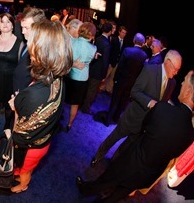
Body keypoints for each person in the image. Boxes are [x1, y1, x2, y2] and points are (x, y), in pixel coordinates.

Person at [76, 69, 194, 203]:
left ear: (189, 91)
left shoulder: (163, 109)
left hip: (132, 160)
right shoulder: (190, 133)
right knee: (118, 195)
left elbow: (145, 126)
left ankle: (85, 189)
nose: (182, 83)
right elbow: (173, 154)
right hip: (148, 173)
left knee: (108, 178)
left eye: (184, 81)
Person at [8, 19, 73, 193]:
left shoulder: (33, 94)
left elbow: (19, 135)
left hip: (33, 147)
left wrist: (15, 107)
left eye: (34, 41)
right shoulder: (56, 78)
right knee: (22, 167)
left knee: (26, 169)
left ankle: (23, 185)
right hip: (45, 138)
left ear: (44, 51)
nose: (29, 44)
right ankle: (20, 174)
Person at [91, 50, 182, 167]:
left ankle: (112, 165)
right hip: (131, 118)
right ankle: (98, 157)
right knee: (113, 139)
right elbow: (134, 92)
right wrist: (149, 102)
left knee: (126, 148)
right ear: (168, 63)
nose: (176, 72)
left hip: (143, 126)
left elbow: (162, 101)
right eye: (176, 69)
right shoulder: (150, 70)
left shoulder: (172, 83)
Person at [103, 33, 147, 126]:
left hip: (121, 80)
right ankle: (116, 118)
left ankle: (108, 119)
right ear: (142, 43)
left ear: (134, 40)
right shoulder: (144, 55)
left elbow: (120, 66)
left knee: (114, 100)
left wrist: (115, 79)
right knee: (123, 102)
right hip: (132, 83)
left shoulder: (127, 50)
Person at [63, 22, 97, 131]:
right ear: (92, 34)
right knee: (75, 104)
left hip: (68, 74)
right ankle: (69, 124)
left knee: (62, 100)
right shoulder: (93, 48)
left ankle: (56, 120)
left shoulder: (71, 41)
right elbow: (89, 61)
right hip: (81, 79)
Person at [81, 22, 113, 115]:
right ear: (110, 31)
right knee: (92, 91)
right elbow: (105, 61)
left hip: (91, 67)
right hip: (98, 71)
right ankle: (86, 108)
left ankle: (82, 105)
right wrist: (104, 75)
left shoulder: (97, 38)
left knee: (88, 88)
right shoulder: (107, 44)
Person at [13, 7, 46, 93]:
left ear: (39, 27)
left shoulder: (43, 50)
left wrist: (23, 97)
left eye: (26, 28)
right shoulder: (27, 43)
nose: (23, 32)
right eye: (22, 28)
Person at [100, 25, 127, 94]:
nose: (123, 34)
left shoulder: (125, 42)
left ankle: (108, 89)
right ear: (119, 32)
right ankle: (100, 88)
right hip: (111, 61)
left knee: (112, 77)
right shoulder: (114, 40)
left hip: (117, 63)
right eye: (122, 32)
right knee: (106, 75)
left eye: (125, 33)